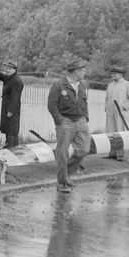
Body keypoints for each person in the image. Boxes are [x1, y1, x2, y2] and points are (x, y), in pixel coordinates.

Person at [46, 58, 90, 192]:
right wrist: (60, 121)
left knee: (84, 149)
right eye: (83, 70)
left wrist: (85, 117)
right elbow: (52, 106)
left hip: (80, 121)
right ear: (76, 71)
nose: (85, 72)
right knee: (62, 153)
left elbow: (85, 102)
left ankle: (65, 175)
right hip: (65, 121)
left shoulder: (83, 85)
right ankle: (62, 183)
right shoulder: (58, 86)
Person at [104, 66, 129, 163]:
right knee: (111, 132)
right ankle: (112, 154)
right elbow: (106, 98)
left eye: (114, 73)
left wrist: (123, 107)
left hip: (121, 114)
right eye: (111, 73)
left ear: (120, 74)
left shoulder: (128, 84)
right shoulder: (110, 85)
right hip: (110, 113)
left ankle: (120, 155)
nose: (112, 75)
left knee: (121, 133)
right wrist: (106, 107)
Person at [0, 60, 24, 148]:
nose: (7, 70)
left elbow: (15, 98)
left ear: (14, 69)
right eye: (6, 68)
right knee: (8, 127)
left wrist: (10, 110)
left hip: (11, 109)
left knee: (12, 128)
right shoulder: (10, 77)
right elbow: (1, 76)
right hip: (7, 107)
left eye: (9, 68)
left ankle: (9, 146)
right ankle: (13, 146)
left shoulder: (16, 81)